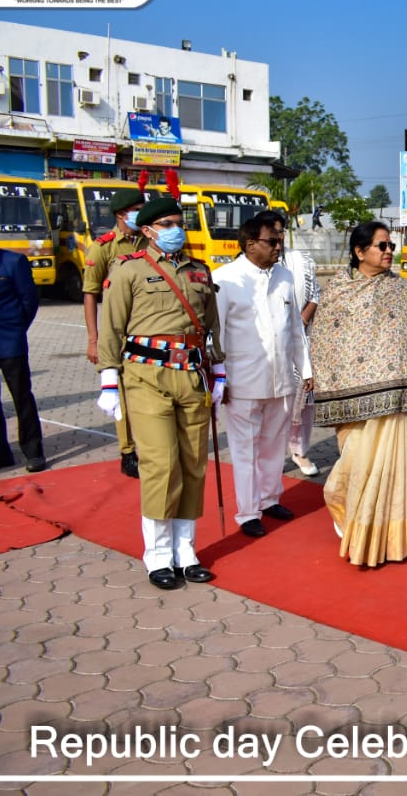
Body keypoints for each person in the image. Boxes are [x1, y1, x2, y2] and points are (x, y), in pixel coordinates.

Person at [95, 177, 224, 589]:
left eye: (178, 221)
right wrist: (108, 379)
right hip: (146, 378)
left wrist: (220, 370)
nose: (176, 229)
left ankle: (186, 551)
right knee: (161, 464)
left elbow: (212, 325)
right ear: (148, 230)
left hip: (193, 375)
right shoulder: (128, 269)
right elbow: (111, 326)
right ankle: (157, 556)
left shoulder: (200, 272)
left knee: (192, 465)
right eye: (166, 223)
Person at [310, 222, 407, 567]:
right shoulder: (338, 289)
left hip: (395, 398)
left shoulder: (401, 289)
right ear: (359, 251)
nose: (388, 252)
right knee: (353, 467)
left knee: (389, 471)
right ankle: (352, 522)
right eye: (381, 246)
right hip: (349, 397)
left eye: (390, 246)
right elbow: (323, 343)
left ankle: (388, 541)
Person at [213, 213, 313, 538]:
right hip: (242, 381)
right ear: (250, 243)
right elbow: (216, 336)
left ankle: (270, 499)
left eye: (282, 239)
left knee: (273, 445)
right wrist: (219, 378)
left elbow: (296, 328)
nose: (279, 246)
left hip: (281, 379)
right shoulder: (225, 279)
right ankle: (247, 512)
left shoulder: (284, 277)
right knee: (245, 450)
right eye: (273, 240)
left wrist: (306, 369)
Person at [83, 181, 150, 478]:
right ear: (122, 214)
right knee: (120, 392)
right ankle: (127, 450)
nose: (141, 215)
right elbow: (90, 294)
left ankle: (150, 442)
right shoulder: (103, 247)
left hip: (148, 328)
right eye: (137, 211)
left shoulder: (150, 240)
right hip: (117, 332)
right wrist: (93, 339)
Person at [0, 216, 47, 473]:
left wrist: (17, 329)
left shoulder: (13, 261)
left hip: (9, 343)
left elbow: (29, 301)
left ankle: (33, 451)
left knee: (21, 397)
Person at [277, 220, 323, 477]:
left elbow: (315, 293)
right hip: (268, 348)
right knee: (272, 404)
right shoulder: (251, 265)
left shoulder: (302, 260)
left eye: (281, 230)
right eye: (272, 231)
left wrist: (302, 321)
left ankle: (299, 451)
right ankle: (270, 454)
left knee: (304, 400)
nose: (278, 236)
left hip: (301, 339)